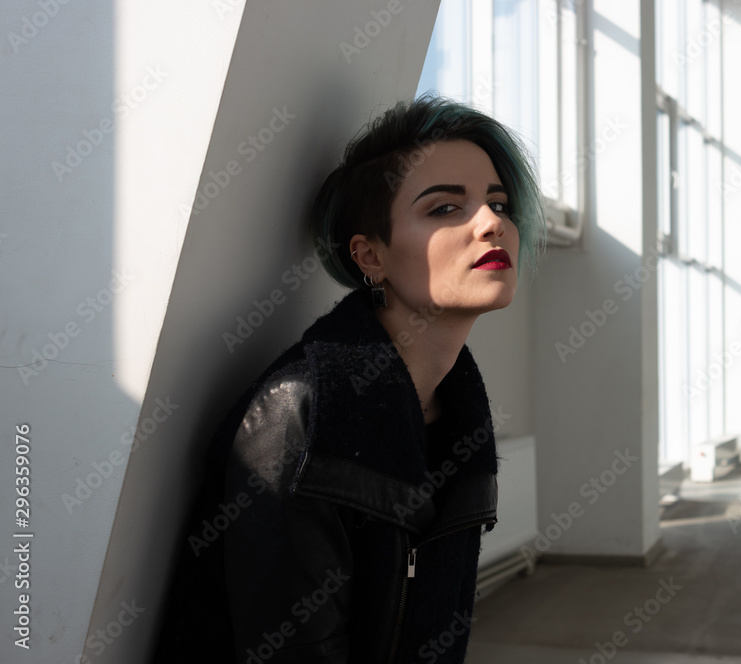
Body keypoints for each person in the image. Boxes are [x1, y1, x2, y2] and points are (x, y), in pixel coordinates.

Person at [155, 94, 546, 664]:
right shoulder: (301, 417)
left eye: (499, 203)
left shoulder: (459, 411)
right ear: (370, 256)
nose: (492, 224)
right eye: (445, 208)